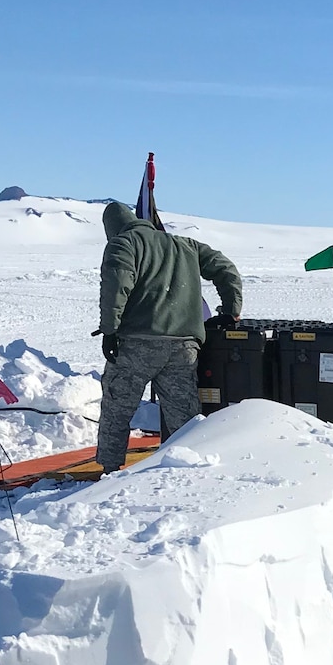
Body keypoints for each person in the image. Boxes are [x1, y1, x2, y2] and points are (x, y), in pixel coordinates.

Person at [94, 200, 243, 471]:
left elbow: (116, 285)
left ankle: (109, 471)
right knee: (184, 418)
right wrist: (231, 311)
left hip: (136, 345)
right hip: (184, 347)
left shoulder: (123, 244)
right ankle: (185, 469)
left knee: (117, 411)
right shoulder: (185, 245)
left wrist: (110, 330)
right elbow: (226, 269)